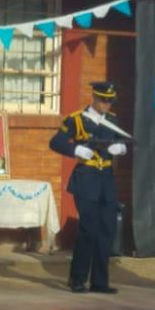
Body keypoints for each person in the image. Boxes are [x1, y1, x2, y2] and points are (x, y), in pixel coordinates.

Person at [50, 82, 127, 294]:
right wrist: (76, 149)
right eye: (104, 100)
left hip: (107, 180)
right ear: (94, 98)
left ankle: (100, 281)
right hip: (87, 179)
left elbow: (122, 141)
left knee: (106, 230)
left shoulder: (112, 120)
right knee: (88, 229)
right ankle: (77, 278)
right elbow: (55, 142)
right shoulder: (77, 119)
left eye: (111, 101)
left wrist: (121, 148)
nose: (107, 105)